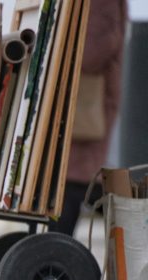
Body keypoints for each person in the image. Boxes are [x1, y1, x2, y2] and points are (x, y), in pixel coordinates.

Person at [48, 0, 129, 236]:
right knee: (76, 181)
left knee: (75, 181)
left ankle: (55, 256)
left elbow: (92, 52)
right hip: (87, 98)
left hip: (87, 100)